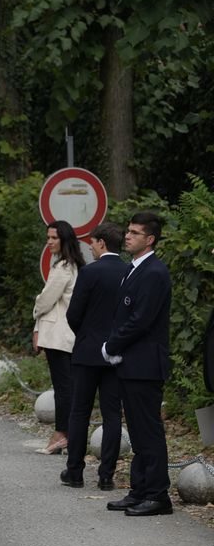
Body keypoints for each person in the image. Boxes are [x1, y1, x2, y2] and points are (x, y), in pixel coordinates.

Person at [103, 212, 174, 517]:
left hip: (144, 363)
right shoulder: (134, 269)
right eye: (128, 231)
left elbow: (141, 319)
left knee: (148, 431)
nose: (128, 236)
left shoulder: (155, 272)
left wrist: (112, 345)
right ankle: (139, 490)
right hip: (132, 362)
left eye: (134, 232)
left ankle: (158, 494)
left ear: (150, 239)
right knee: (137, 430)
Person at [59, 222, 128, 490]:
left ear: (101, 243)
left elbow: (73, 313)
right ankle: (106, 475)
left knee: (79, 412)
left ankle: (74, 471)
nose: (90, 248)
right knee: (112, 415)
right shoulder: (129, 272)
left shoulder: (89, 272)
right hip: (116, 353)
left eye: (92, 243)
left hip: (87, 352)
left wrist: (86, 335)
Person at [32, 220, 85, 454]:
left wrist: (35, 311)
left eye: (54, 238)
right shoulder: (72, 265)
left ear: (64, 240)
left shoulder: (63, 267)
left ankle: (62, 433)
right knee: (67, 386)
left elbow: (46, 299)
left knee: (63, 387)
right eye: (48, 238)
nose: (50, 242)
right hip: (65, 335)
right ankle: (66, 434)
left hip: (59, 336)